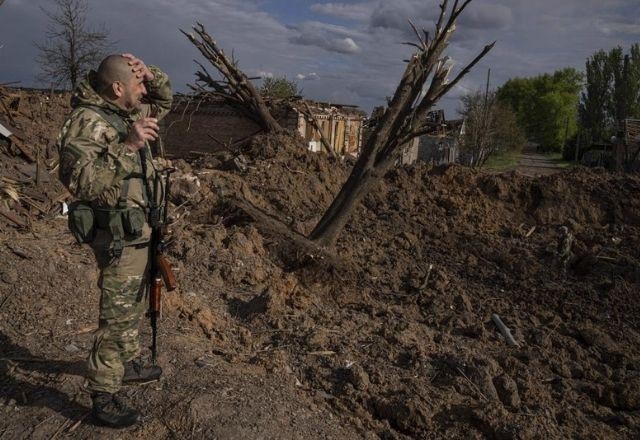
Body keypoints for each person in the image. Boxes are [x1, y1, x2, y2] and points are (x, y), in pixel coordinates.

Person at [57, 53, 173, 428]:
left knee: (133, 306)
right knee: (117, 315)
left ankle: (125, 361)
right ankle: (103, 394)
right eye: (138, 84)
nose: (145, 91)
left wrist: (149, 71)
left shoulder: (128, 113)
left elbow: (166, 100)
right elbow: (84, 183)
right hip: (118, 235)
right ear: (117, 88)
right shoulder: (86, 123)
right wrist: (128, 146)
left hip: (141, 230)